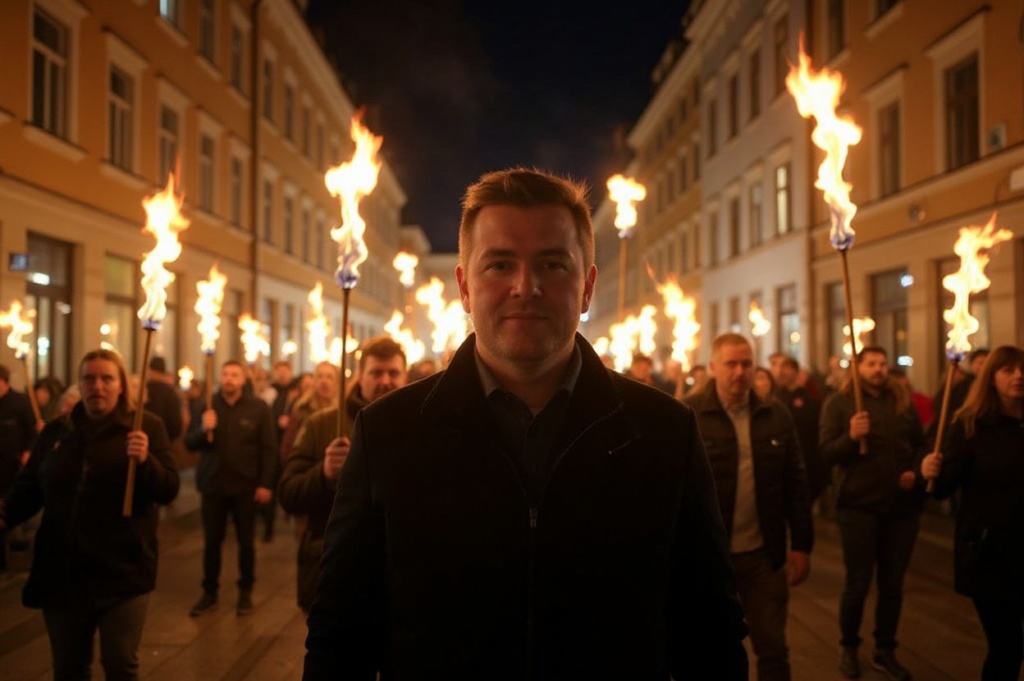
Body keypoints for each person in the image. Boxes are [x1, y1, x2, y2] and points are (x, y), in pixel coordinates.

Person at [303, 167, 748, 679]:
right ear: (465, 287)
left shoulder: (662, 431)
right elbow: (341, 626)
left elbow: (709, 626)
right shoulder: (389, 432)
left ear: (587, 288)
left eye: (553, 264)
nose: (526, 287)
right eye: (499, 265)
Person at [0, 349, 179, 680]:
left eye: (107, 378)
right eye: (89, 378)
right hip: (64, 573)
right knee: (69, 668)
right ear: (79, 384)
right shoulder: (57, 432)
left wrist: (145, 462)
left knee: (120, 663)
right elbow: (28, 491)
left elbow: (168, 488)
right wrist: (5, 514)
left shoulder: (145, 426)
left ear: (121, 385)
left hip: (123, 571)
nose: (98, 386)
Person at [685, 334, 812, 681]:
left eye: (746, 364)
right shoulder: (688, 414)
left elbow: (795, 483)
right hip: (710, 558)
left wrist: (801, 544)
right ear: (713, 367)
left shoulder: (775, 414)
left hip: (762, 555)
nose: (739, 372)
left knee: (772, 648)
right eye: (731, 364)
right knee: (715, 653)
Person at [278, 335, 408, 612]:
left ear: (405, 375)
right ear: (360, 376)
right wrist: (323, 474)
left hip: (402, 580)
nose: (385, 380)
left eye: (393, 372)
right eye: (376, 372)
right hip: (338, 573)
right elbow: (289, 493)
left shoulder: (422, 425)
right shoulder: (322, 424)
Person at [819, 345, 926, 681]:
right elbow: (825, 453)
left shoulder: (902, 401)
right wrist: (851, 438)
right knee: (858, 583)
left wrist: (915, 471)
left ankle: (886, 650)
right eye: (871, 364)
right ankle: (849, 647)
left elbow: (919, 444)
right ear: (859, 367)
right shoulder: (839, 403)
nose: (878, 369)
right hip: (859, 506)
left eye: (882, 364)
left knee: (893, 584)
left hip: (901, 509)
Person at [920, 346, 1024, 680]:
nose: (1018, 376)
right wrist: (930, 470)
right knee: (1007, 646)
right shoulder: (970, 426)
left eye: (1022, 369)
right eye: (1008, 370)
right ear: (991, 377)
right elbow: (943, 488)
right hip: (991, 554)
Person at [184, 360, 276, 617]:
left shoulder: (258, 408)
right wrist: (204, 429)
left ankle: (246, 591)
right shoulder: (207, 406)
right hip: (213, 485)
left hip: (245, 486)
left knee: (246, 542)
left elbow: (268, 449)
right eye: (225, 374)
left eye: (234, 374)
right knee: (212, 542)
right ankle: (209, 592)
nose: (229, 379)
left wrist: (266, 483)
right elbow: (190, 443)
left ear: (243, 378)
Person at [771, 353, 827, 504]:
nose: (779, 371)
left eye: (784, 366)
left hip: (806, 461)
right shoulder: (773, 398)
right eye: (775, 366)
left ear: (794, 371)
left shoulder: (808, 399)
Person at [0, 364, 39, 575]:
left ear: (4, 382)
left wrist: (28, 451)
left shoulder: (20, 403)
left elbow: (34, 433)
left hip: (12, 468)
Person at [143, 356, 184, 443]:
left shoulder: (143, 390)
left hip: (143, 441)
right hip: (165, 443)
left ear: (150, 370)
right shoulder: (171, 393)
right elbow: (176, 426)